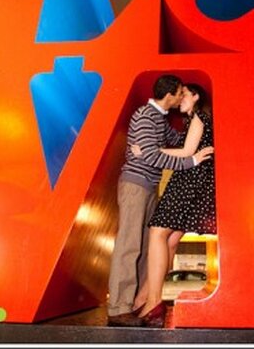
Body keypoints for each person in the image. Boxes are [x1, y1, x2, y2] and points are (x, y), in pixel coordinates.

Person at [107, 75, 214, 327]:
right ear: (169, 95)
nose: (179, 100)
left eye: (184, 94)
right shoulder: (146, 116)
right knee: (130, 245)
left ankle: (140, 301)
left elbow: (179, 143)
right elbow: (156, 157)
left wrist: (191, 148)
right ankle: (119, 307)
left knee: (146, 246)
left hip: (150, 187)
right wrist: (191, 160)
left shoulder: (161, 119)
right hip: (136, 184)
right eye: (179, 93)